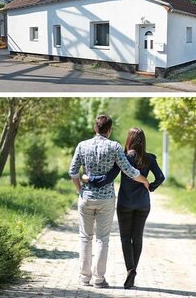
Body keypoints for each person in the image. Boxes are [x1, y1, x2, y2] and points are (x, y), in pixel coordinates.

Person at [68, 115, 149, 289]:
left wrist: (80, 190)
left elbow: (73, 172)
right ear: (109, 130)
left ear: (95, 128)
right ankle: (99, 279)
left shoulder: (82, 145)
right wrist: (144, 180)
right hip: (106, 199)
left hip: (86, 197)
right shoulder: (114, 147)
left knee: (85, 237)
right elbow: (129, 171)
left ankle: (84, 277)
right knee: (102, 239)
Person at [82, 127, 165, 289]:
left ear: (129, 140)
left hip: (125, 204)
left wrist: (89, 179)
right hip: (143, 204)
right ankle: (132, 272)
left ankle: (130, 269)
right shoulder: (150, 158)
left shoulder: (123, 158)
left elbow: (108, 178)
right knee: (138, 237)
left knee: (126, 238)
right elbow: (161, 177)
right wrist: (150, 187)